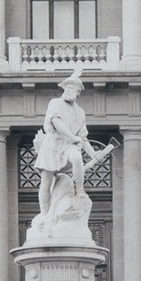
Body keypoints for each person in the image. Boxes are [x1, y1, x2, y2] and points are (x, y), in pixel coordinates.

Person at [33, 68, 96, 220]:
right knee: (46, 181)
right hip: (52, 146)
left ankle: (79, 189)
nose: (68, 91)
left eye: (72, 88)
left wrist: (93, 154)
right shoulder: (55, 103)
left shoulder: (80, 112)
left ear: (78, 93)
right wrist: (73, 137)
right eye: (66, 88)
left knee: (76, 157)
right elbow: (56, 122)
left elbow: (83, 137)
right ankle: (45, 214)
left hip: (68, 147)